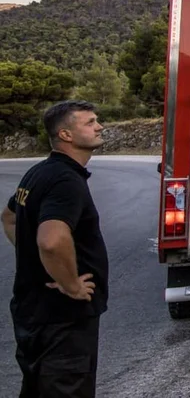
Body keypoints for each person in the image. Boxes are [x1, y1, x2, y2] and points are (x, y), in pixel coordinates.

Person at [2, 100, 109, 398]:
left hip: (31, 314)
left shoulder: (39, 173)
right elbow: (51, 240)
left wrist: (38, 261)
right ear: (66, 135)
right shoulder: (66, 180)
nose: (99, 126)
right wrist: (72, 284)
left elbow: (9, 217)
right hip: (62, 319)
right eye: (89, 122)